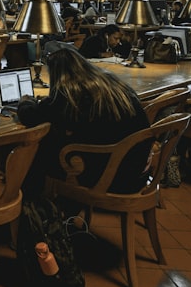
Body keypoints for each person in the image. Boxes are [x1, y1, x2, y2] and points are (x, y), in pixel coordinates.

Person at [17, 46, 150, 197]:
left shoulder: (70, 94)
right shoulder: (110, 82)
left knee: (38, 145)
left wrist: (25, 102)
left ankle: (30, 199)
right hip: (137, 172)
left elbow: (31, 116)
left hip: (111, 180)